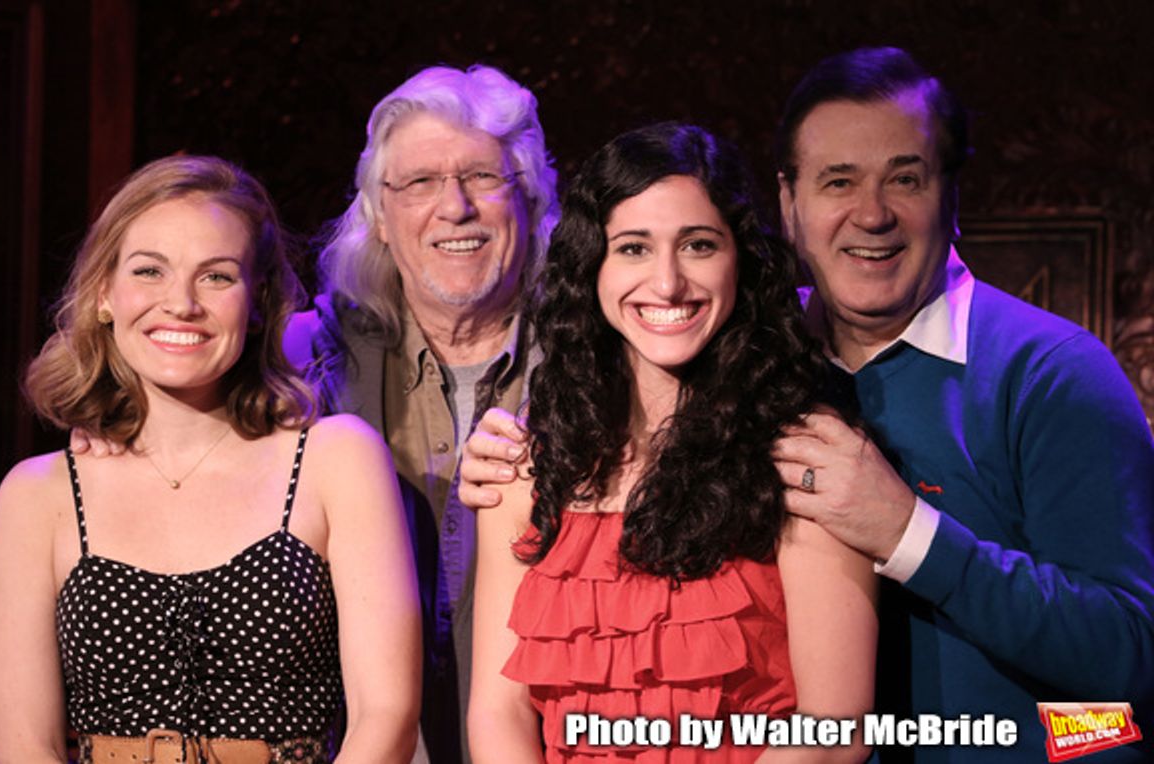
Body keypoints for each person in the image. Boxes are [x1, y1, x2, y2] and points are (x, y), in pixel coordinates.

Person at [461, 48, 1154, 762]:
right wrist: (497, 450)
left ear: (951, 193)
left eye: (905, 178)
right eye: (838, 181)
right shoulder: (742, 350)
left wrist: (908, 532)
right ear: (789, 204)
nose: (872, 213)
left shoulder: (1051, 372)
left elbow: (1134, 651)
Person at [0, 155, 421, 763]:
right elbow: (23, 747)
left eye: (216, 276)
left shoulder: (336, 459)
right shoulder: (38, 495)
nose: (180, 303)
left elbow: (387, 716)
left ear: (259, 299)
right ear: (104, 292)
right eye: (149, 271)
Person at [467, 123, 876, 763]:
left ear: (740, 258)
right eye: (633, 248)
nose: (667, 283)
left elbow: (834, 732)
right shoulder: (527, 466)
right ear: (591, 267)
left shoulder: (805, 453)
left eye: (698, 245)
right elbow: (498, 716)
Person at [282, 64, 558, 763]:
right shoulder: (302, 364)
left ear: (528, 196)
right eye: (420, 183)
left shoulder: (601, 363)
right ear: (377, 213)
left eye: (482, 177)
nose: (455, 207)